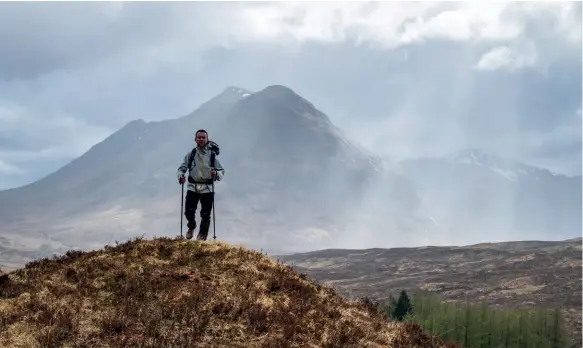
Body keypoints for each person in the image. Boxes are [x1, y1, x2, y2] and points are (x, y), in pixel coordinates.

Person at [176, 129, 225, 240]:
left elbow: (221, 171)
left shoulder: (212, 155)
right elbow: (181, 168)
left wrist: (216, 173)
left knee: (205, 215)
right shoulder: (191, 154)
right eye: (200, 137)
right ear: (195, 139)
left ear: (207, 139)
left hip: (207, 188)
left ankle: (201, 238)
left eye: (204, 137)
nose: (202, 139)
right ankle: (192, 226)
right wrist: (181, 176)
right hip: (192, 187)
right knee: (189, 212)